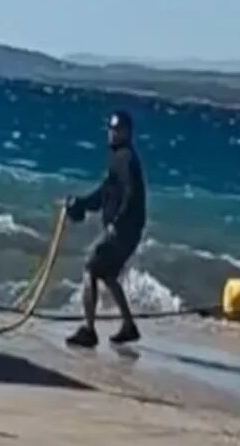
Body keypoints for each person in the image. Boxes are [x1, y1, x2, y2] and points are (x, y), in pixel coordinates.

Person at [64, 110, 146, 348]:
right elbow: (104, 194)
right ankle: (129, 326)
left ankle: (89, 330)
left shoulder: (126, 158)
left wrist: (116, 224)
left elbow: (130, 195)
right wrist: (81, 203)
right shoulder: (117, 158)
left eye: (117, 129)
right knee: (107, 274)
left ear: (127, 132)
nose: (112, 133)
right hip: (126, 231)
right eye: (110, 128)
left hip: (123, 230)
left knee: (90, 266)